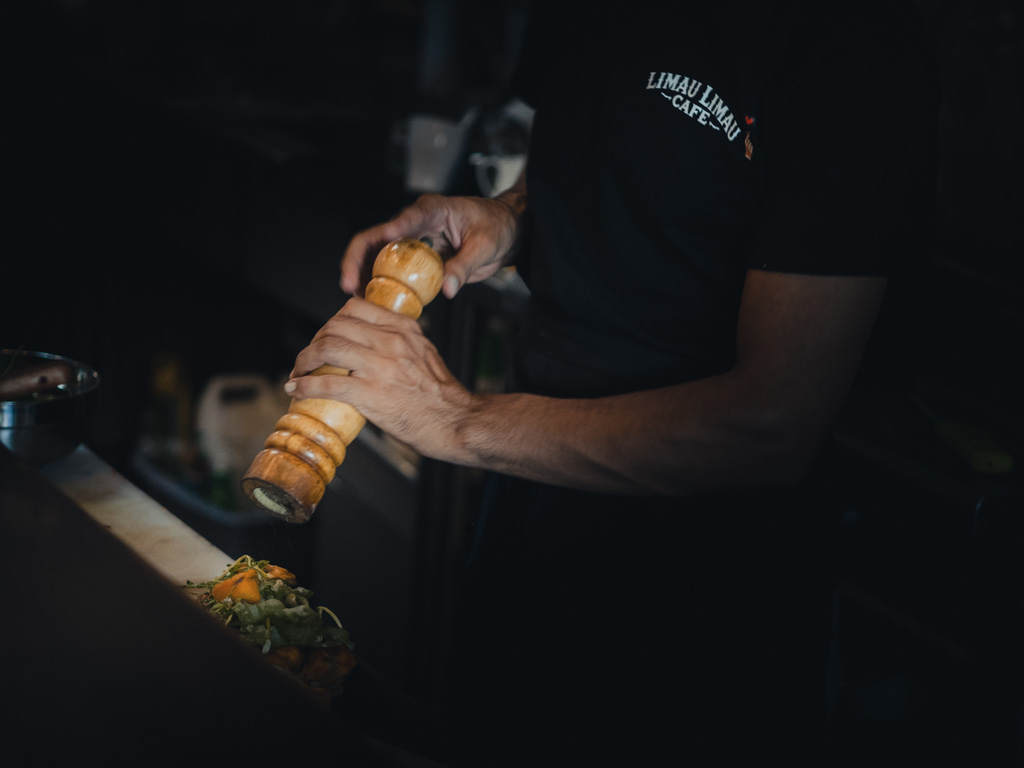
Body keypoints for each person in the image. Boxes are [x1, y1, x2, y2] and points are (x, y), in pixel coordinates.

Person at [284, 2, 938, 765]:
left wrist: (455, 418)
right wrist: (508, 217)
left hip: (702, 596)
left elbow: (771, 421)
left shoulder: (856, 46)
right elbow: (603, 148)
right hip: (527, 515)